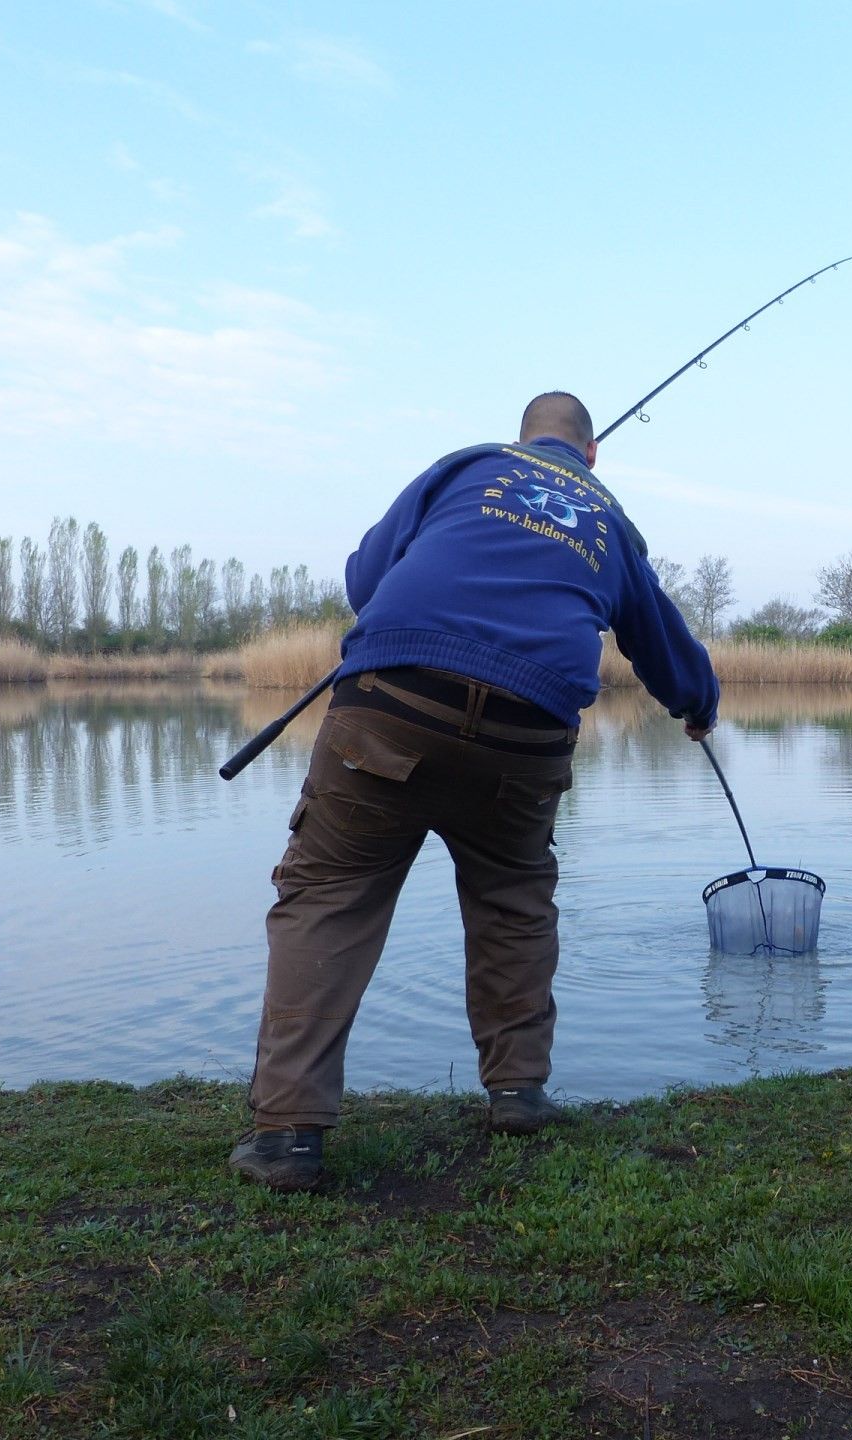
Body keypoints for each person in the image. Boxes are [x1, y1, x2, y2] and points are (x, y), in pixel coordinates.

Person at [230, 392, 718, 1191]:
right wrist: (698, 705)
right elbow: (659, 639)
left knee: (329, 895)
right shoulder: (607, 520)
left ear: (523, 438)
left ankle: (288, 1138)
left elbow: (365, 579)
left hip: (391, 706)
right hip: (525, 732)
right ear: (592, 455)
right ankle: (519, 1093)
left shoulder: (466, 466)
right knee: (513, 895)